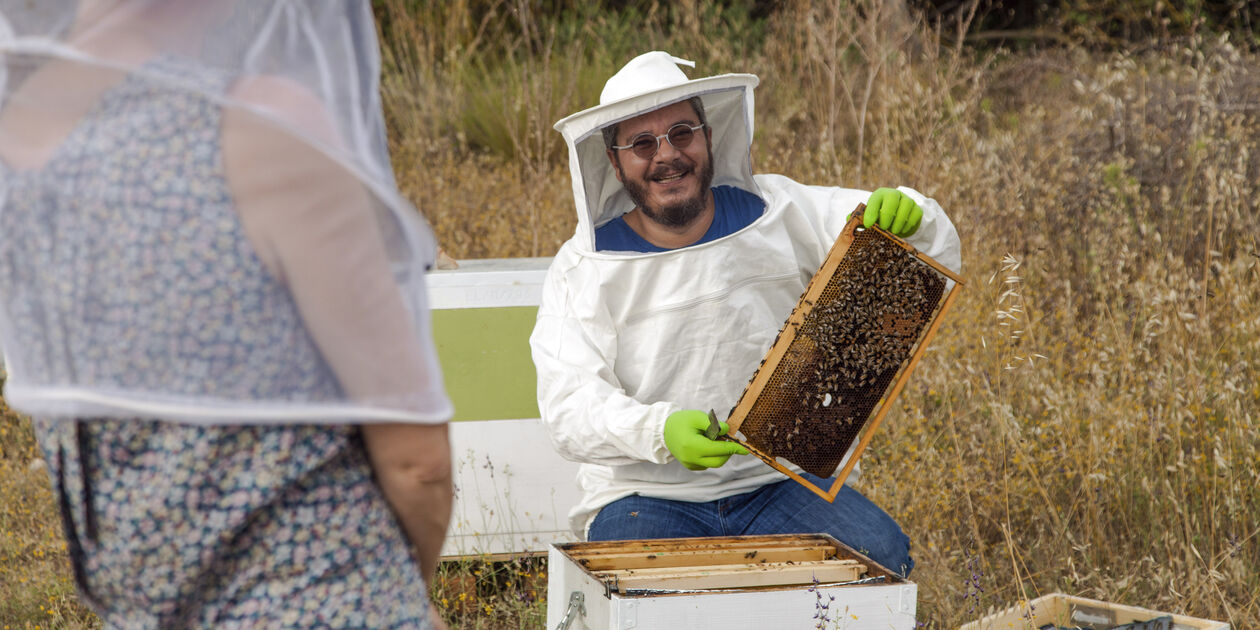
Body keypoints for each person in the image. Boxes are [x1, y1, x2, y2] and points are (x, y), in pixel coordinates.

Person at [0, 2, 452, 627]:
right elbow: (418, 459)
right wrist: (393, 594)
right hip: (321, 601)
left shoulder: (20, 140)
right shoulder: (263, 128)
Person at [530, 51, 962, 576]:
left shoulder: (782, 211)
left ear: (709, 137)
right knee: (631, 584)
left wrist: (911, 212)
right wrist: (660, 431)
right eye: (642, 143)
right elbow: (568, 406)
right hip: (645, 493)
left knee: (880, 557)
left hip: (777, 480)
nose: (666, 154)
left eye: (682, 132)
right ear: (614, 161)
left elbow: (917, 248)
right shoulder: (583, 266)